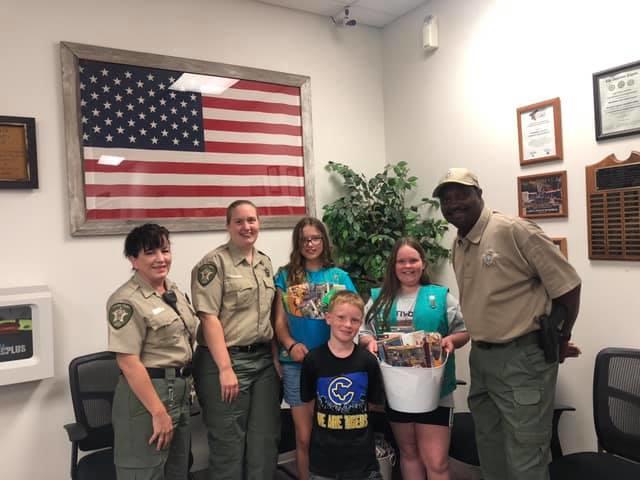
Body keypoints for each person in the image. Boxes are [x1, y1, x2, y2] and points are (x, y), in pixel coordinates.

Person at [432, 168, 582, 480]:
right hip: (482, 358)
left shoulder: (513, 230)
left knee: (525, 456)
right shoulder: (459, 243)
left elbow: (568, 287)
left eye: (461, 194)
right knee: (490, 448)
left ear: (479, 194)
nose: (453, 203)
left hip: (521, 359)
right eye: (446, 199)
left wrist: (561, 337)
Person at [359, 237, 470, 480]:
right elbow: (363, 330)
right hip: (397, 392)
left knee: (437, 462)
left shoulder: (441, 297)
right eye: (401, 261)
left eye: (413, 260)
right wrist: (369, 342)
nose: (407, 266)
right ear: (393, 265)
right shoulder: (379, 298)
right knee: (408, 454)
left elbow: (463, 330)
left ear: (423, 263)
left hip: (435, 392)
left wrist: (452, 341)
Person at [190, 199, 280, 480]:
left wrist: (276, 359)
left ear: (259, 223)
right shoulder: (212, 265)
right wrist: (226, 368)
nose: (247, 227)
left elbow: (269, 317)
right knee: (228, 444)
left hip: (263, 361)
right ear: (228, 225)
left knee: (265, 440)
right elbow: (209, 318)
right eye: (239, 221)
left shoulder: (264, 262)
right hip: (224, 362)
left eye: (251, 220)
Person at [107, 223, 198, 480]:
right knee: (146, 472)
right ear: (133, 260)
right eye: (150, 253)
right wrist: (158, 412)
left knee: (177, 469)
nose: (161, 259)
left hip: (179, 390)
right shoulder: (126, 300)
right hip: (148, 395)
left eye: (165, 250)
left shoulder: (173, 291)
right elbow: (127, 361)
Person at [274, 216, 357, 480]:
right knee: (304, 436)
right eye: (304, 239)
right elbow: (279, 322)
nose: (310, 244)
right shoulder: (286, 276)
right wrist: (291, 344)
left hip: (333, 366)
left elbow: (354, 316)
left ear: (324, 240)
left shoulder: (339, 276)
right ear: (297, 243)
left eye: (315, 238)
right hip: (297, 365)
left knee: (332, 433)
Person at [301, 291, 385, 480]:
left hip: (363, 462)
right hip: (323, 462)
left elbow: (372, 404)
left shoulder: (368, 362)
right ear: (328, 318)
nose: (348, 325)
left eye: (355, 320)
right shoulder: (313, 360)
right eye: (341, 317)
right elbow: (308, 404)